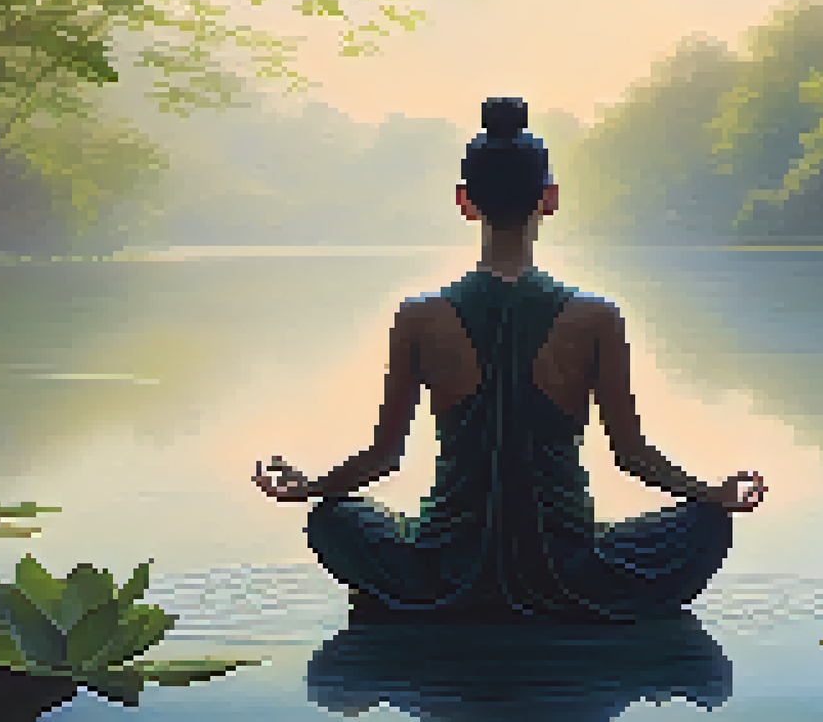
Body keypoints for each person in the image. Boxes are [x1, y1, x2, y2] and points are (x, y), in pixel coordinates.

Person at [252, 96, 768, 624]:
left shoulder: (419, 318)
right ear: (549, 199)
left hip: (441, 568)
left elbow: (384, 458)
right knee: (707, 526)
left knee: (333, 520)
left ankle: (429, 600)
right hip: (570, 570)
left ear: (464, 202)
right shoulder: (595, 319)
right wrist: (713, 494)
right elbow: (632, 456)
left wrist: (310, 488)